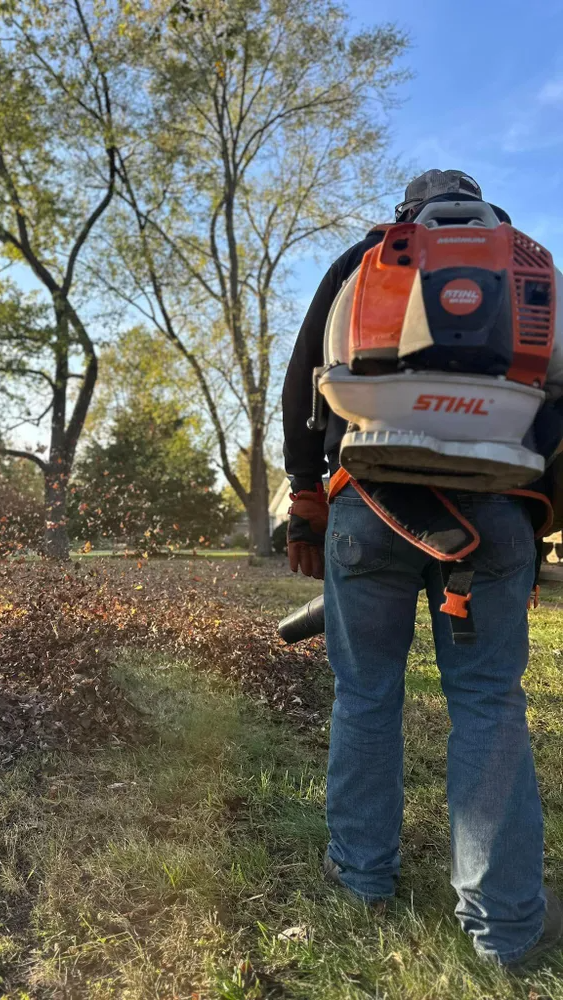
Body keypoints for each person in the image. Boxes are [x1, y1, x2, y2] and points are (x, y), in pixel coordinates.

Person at [282, 169, 563, 967]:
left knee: (366, 694)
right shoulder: (530, 263)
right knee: (488, 705)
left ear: (406, 212)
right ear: (487, 206)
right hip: (495, 517)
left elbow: (305, 374)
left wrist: (305, 497)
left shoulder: (366, 258)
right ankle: (505, 926)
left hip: (365, 504)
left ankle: (363, 876)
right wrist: (538, 523)